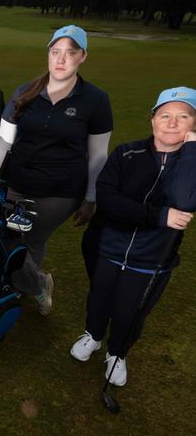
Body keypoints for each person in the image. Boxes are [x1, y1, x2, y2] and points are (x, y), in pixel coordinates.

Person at [70, 87, 196, 386]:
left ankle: (117, 353)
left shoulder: (190, 162)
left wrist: (192, 151)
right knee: (99, 297)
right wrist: (160, 215)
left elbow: (186, 199)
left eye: (183, 116)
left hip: (152, 257)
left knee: (131, 310)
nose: (172, 122)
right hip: (110, 246)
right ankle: (94, 335)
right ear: (152, 119)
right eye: (165, 115)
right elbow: (108, 199)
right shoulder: (127, 153)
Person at [0, 25, 113, 315]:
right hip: (16, 182)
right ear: (49, 54)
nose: (61, 59)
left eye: (70, 53)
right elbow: (4, 141)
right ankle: (35, 283)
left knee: (31, 237)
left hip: (60, 192)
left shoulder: (96, 100)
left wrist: (91, 198)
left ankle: (28, 285)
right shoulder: (25, 92)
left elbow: (98, 154)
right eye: (56, 52)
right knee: (5, 235)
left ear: (82, 57)